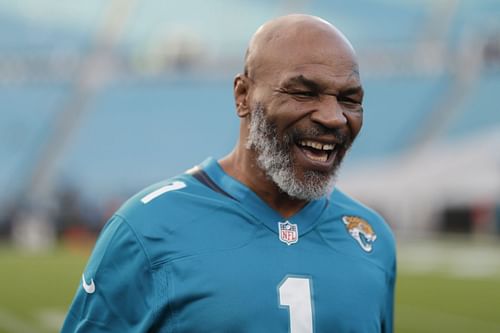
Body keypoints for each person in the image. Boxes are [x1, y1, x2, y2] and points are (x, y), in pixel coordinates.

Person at [62, 14, 396, 333]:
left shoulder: (371, 237)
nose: (334, 117)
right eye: (304, 93)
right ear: (243, 96)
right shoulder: (146, 228)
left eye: (349, 99)